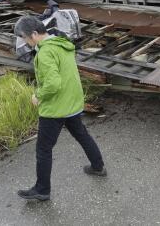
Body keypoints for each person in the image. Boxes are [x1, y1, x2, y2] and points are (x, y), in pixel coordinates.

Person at [14, 16, 106, 201]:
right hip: (72, 102)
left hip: (56, 107)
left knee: (43, 149)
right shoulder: (62, 44)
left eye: (24, 37)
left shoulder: (46, 52)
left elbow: (53, 83)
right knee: (82, 135)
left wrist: (38, 96)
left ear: (34, 34)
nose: (24, 42)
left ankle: (42, 190)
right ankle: (98, 167)